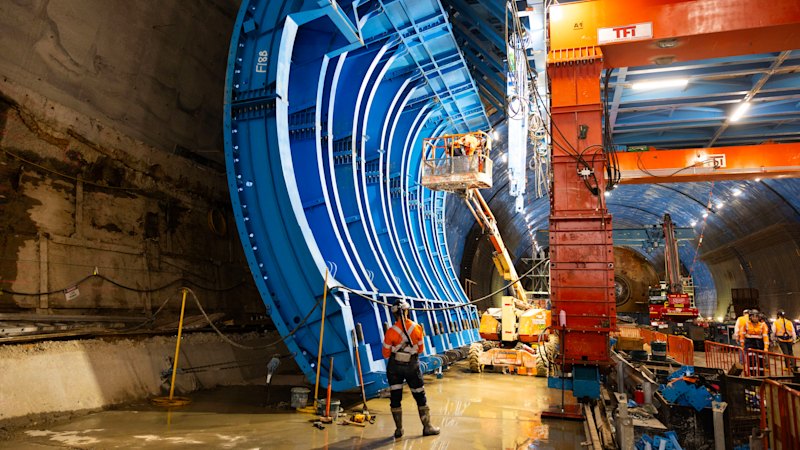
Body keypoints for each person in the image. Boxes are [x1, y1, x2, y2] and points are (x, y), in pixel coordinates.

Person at [382, 299, 439, 438]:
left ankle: (399, 430)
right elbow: (420, 349)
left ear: (394, 315)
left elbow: (385, 353)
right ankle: (427, 427)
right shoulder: (416, 328)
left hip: (394, 368)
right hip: (412, 367)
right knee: (420, 396)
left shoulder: (391, 331)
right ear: (407, 311)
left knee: (395, 398)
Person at [740, 308, 769, 375]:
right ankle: (753, 376)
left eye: (756, 316)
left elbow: (765, 336)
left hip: (759, 344)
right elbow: (742, 335)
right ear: (750, 317)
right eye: (753, 316)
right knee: (751, 361)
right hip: (750, 344)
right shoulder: (746, 324)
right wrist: (742, 345)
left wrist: (766, 347)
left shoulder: (763, 325)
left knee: (761, 361)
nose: (755, 318)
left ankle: (761, 376)